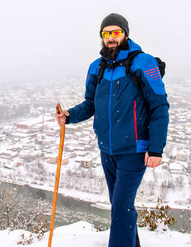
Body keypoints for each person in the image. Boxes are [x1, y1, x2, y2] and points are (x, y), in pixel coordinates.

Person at [55, 13, 169, 247]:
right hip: (107, 149)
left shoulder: (142, 62)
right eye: (106, 34)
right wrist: (69, 115)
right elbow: (90, 104)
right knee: (120, 205)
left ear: (126, 34)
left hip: (134, 149)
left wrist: (156, 149)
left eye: (116, 32)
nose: (111, 38)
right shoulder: (96, 67)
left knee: (120, 206)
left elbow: (159, 105)